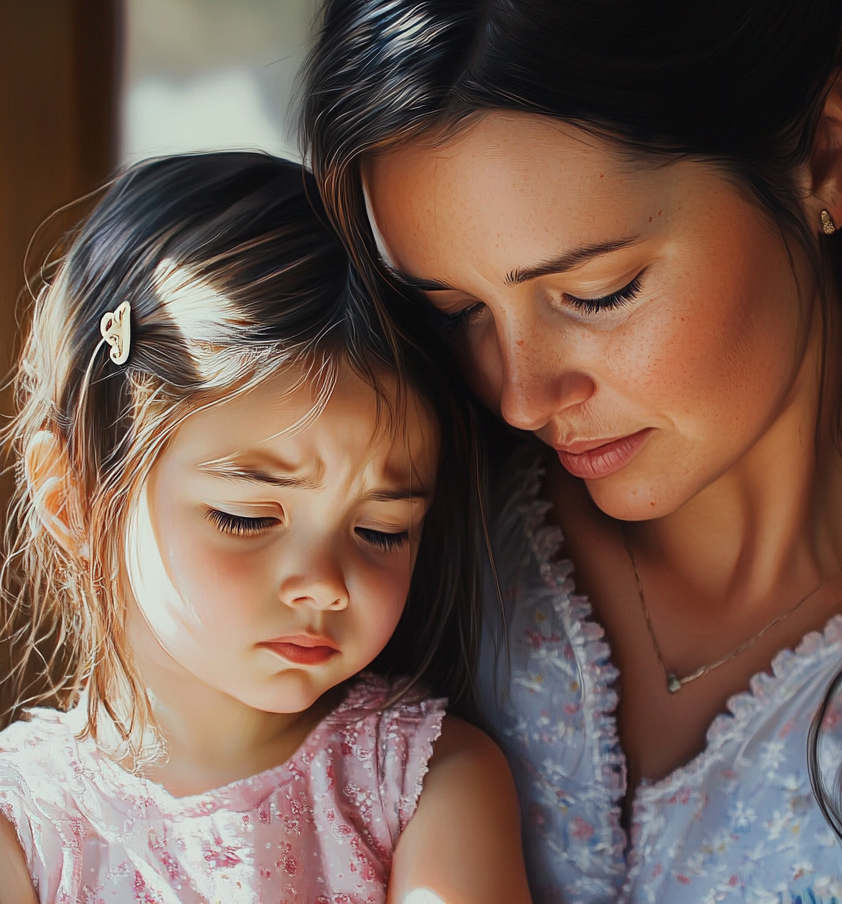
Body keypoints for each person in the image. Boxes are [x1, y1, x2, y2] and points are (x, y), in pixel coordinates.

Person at [300, 0, 842, 901]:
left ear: (822, 154)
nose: (518, 395)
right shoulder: (382, 526)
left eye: (597, 292)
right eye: (454, 309)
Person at [0, 153, 531, 904]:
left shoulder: (425, 783)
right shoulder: (26, 826)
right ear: (74, 499)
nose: (324, 582)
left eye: (382, 530)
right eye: (247, 516)